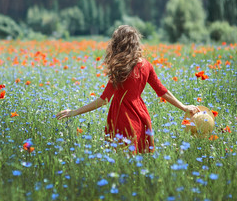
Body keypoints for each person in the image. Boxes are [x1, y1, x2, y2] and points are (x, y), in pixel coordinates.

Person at [56, 25, 200, 153]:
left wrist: (74, 112)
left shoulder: (120, 69)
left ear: (118, 44)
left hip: (122, 117)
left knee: (122, 160)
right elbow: (163, 91)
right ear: (136, 43)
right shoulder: (146, 65)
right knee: (139, 161)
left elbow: (103, 100)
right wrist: (184, 107)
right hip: (141, 116)